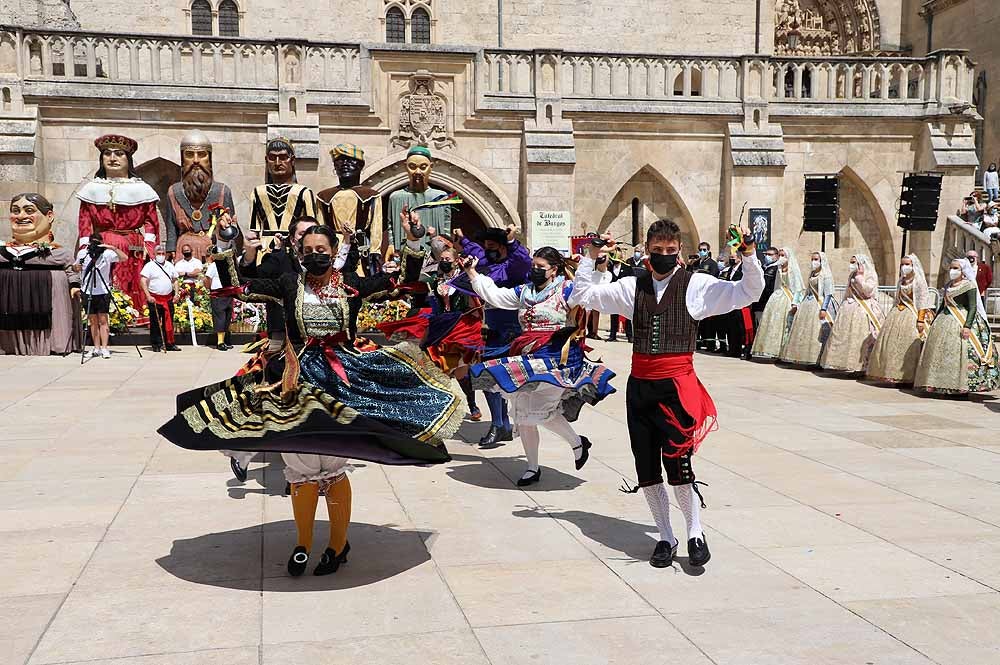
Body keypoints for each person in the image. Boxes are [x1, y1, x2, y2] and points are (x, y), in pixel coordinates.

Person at [158, 224, 463, 577]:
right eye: (309, 249)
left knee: (332, 465)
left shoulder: (351, 284)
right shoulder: (288, 284)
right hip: (294, 378)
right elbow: (235, 288)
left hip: (340, 380)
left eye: (322, 248)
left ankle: (337, 543)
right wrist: (231, 244)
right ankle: (303, 542)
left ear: (334, 251)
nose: (316, 254)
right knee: (300, 466)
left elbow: (404, 285)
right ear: (300, 254)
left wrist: (411, 241)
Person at [572, 219, 763, 569]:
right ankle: (665, 536)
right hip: (641, 388)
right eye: (657, 251)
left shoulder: (697, 286)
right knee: (646, 467)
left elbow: (747, 292)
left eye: (670, 251)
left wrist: (749, 255)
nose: (663, 256)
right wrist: (590, 256)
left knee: (679, 465)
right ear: (647, 251)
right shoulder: (632, 287)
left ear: (679, 252)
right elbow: (583, 295)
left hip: (677, 388)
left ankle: (694, 531)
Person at [463, 246, 615, 486]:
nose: (534, 270)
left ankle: (576, 443)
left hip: (554, 359)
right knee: (524, 414)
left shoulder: (567, 290)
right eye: (533, 266)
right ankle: (533, 467)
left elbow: (588, 289)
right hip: (527, 357)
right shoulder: (524, 292)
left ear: (553, 270)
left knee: (541, 411)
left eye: (540, 267)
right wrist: (472, 273)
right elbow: (497, 296)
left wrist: (592, 258)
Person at [455, 225, 532, 447]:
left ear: (502, 247)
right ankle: (500, 424)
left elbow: (522, 261)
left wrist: (511, 242)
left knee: (504, 377)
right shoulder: (488, 263)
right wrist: (464, 240)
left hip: (512, 331)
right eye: (486, 247)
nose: (488, 252)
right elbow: (479, 255)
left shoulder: (513, 268)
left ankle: (504, 423)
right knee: (486, 376)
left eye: (493, 247)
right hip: (490, 328)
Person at [76, 134, 160, 313]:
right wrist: (84, 248)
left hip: (133, 246)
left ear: (128, 159)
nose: (112, 158)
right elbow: (84, 223)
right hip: (102, 246)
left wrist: (149, 244)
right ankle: (108, 319)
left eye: (119, 154)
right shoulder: (91, 189)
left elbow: (151, 221)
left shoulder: (142, 189)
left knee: (135, 284)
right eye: (107, 154)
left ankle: (135, 316)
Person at [1, 193, 80, 356]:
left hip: (45, 297)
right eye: (15, 211)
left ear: (49, 216)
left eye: (29, 210)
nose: (21, 216)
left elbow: (71, 269)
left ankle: (52, 343)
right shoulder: (3, 252)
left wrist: (74, 285)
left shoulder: (58, 253)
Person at [915, 258, 999, 395]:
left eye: (956, 268)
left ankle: (961, 385)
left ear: (963, 271)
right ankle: (938, 384)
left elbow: (972, 307)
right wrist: (934, 320)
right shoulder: (948, 285)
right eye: (951, 268)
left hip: (962, 320)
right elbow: (943, 304)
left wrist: (967, 326)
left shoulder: (969, 285)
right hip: (944, 321)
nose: (952, 271)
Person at [164, 130, 239, 261]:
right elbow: (171, 228)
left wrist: (230, 255)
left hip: (214, 251)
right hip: (184, 252)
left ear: (209, 159)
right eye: (189, 155)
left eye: (202, 154)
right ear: (182, 160)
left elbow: (229, 229)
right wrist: (170, 249)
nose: (196, 160)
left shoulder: (222, 191)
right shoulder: (173, 192)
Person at [866, 254, 934, 385]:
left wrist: (920, 320)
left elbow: (923, 301)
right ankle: (891, 374)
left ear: (913, 266)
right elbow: (897, 298)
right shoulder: (901, 280)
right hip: (897, 313)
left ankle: (909, 375)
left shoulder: (918, 281)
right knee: (891, 345)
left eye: (907, 264)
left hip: (912, 314)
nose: (904, 267)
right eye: (902, 264)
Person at [250, 137, 322, 256]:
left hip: (295, 249)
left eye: (283, 157)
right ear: (266, 160)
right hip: (264, 250)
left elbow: (312, 229)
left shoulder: (304, 192)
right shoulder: (257, 192)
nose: (278, 163)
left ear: (292, 160)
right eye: (272, 158)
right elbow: (254, 229)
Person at [820, 254, 884, 373]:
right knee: (845, 336)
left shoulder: (870, 274)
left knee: (860, 336)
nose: (852, 265)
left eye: (854, 262)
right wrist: (845, 303)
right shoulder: (851, 275)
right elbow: (848, 291)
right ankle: (843, 364)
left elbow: (868, 291)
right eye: (851, 262)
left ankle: (861, 367)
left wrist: (860, 278)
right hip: (850, 307)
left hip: (864, 308)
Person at [387, 145, 453, 249]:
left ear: (430, 167)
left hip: (433, 256)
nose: (417, 172)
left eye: (423, 167)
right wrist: (391, 244)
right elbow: (390, 226)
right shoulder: (395, 197)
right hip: (403, 253)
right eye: (412, 167)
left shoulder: (441, 197)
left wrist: (446, 248)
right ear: (405, 167)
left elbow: (446, 229)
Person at [779, 251, 835, 367]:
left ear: (822, 261)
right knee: (804, 331)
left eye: (816, 259)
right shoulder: (812, 274)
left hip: (820, 304)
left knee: (817, 332)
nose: (813, 262)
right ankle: (804, 358)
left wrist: (823, 309)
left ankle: (818, 360)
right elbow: (809, 289)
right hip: (808, 303)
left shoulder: (826, 275)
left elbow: (828, 293)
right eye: (812, 259)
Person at [77, 232, 128, 359]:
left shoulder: (107, 254)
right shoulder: (83, 253)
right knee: (92, 321)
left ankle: (105, 348)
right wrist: (76, 267)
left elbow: (124, 258)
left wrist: (112, 248)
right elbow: (75, 267)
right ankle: (96, 348)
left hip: (102, 291)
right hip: (87, 290)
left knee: (103, 320)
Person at [750, 247, 802, 359]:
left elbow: (798, 288)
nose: (781, 257)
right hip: (777, 297)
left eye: (783, 255)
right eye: (780, 255)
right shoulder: (777, 268)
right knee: (773, 325)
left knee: (786, 325)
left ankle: (785, 352)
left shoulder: (793, 270)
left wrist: (795, 303)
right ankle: (774, 351)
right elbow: (776, 285)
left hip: (788, 299)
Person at [139, 247, 181, 352]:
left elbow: (175, 280)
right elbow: (143, 281)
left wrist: (176, 294)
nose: (161, 255)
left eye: (163, 253)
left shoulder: (170, 265)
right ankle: (156, 344)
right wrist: (148, 295)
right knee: (155, 322)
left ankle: (169, 343)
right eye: (159, 253)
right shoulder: (149, 266)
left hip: (168, 298)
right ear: (155, 254)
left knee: (169, 321)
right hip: (155, 298)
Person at [717, 250, 753, 357]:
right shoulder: (729, 270)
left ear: (739, 258)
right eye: (731, 258)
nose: (732, 260)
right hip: (731, 303)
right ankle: (733, 349)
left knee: (743, 328)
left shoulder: (743, 269)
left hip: (742, 302)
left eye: (734, 258)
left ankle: (746, 350)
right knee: (731, 327)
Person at [203, 256, 234, 350]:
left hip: (228, 293)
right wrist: (210, 289)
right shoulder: (213, 265)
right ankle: (220, 342)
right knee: (220, 317)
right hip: (218, 294)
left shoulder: (229, 265)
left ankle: (225, 340)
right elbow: (208, 279)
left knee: (227, 316)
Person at [607, 248, 635, 342]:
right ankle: (613, 335)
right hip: (613, 294)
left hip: (624, 294)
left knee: (627, 316)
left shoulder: (627, 267)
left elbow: (631, 280)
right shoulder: (609, 268)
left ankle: (629, 335)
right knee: (613, 314)